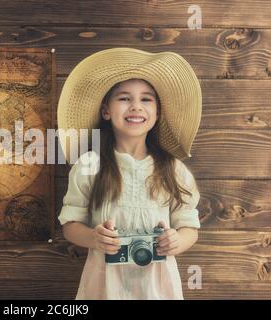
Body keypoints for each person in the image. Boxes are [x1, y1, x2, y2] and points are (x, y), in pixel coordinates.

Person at [56, 48, 202, 299]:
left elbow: (189, 227)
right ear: (106, 111)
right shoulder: (89, 165)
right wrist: (94, 238)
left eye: (146, 99)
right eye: (124, 98)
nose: (136, 106)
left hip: (157, 289)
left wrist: (177, 241)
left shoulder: (174, 170)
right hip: (104, 287)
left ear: (157, 113)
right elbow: (70, 226)